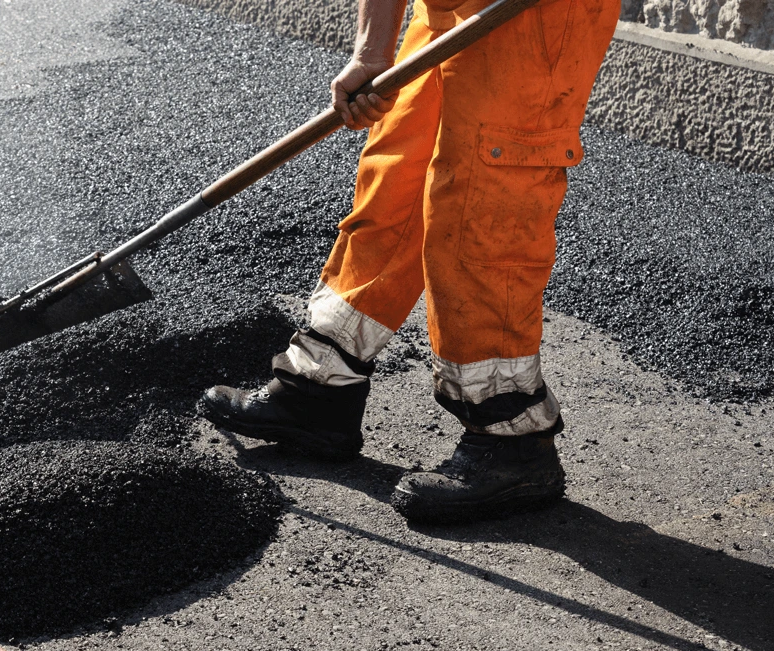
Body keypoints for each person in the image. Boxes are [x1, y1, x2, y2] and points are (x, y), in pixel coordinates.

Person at [200, 0, 621, 523]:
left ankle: (511, 437)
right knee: (396, 173)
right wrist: (370, 50)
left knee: (482, 203)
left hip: (533, 17)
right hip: (445, 7)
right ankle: (321, 383)